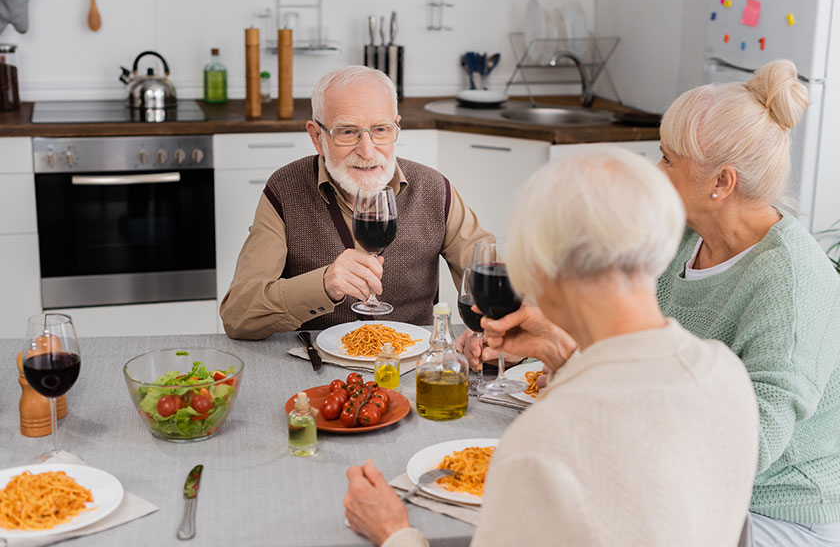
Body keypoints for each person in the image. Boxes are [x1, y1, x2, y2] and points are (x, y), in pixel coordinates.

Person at [343, 147, 759, 546]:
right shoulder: (724, 374)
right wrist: (566, 356)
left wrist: (393, 531)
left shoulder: (543, 440)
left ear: (541, 270)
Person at [655, 59, 840, 545]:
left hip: (775, 510)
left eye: (670, 160)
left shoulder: (791, 284)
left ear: (722, 183)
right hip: (693, 485)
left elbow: (746, 449)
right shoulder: (683, 236)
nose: (656, 172)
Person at [220, 66, 490, 338]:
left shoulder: (434, 189)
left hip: (413, 366)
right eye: (347, 132)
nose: (367, 150)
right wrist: (322, 285)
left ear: (396, 127)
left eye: (381, 130)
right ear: (317, 136)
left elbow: (489, 280)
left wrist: (491, 335)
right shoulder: (285, 190)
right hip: (317, 369)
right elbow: (238, 316)